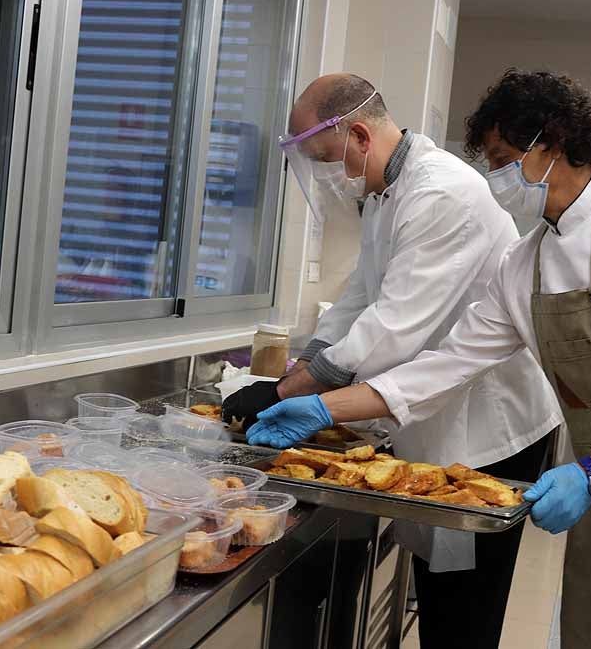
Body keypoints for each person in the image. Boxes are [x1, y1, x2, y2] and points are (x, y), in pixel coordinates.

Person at [247, 69, 591, 648]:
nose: (494, 178)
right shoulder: (525, 263)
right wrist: (324, 407)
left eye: (502, 159)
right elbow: (447, 365)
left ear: (550, 144)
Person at [223, 73, 561, 647]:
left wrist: (285, 394)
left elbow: (392, 329)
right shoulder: (387, 193)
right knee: (438, 592)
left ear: (357, 134)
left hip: (489, 430)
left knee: (462, 614)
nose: (327, 173)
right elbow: (360, 296)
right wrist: (300, 367)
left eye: (325, 157)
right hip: (439, 415)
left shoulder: (441, 193)